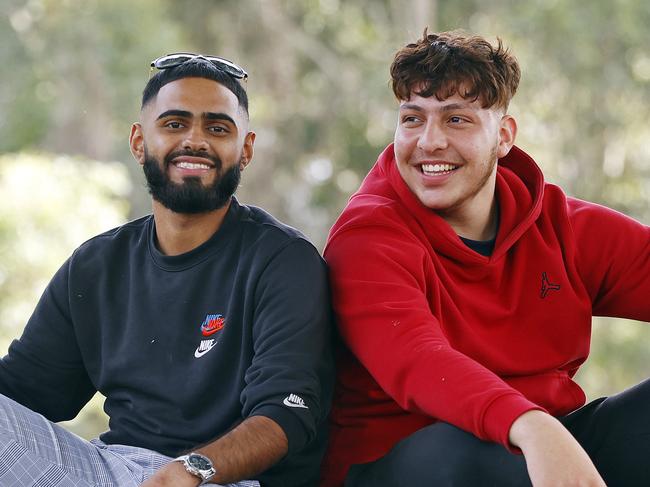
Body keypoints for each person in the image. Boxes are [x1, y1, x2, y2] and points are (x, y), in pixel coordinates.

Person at [319, 29, 650, 487]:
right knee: (470, 456)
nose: (429, 142)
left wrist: (543, 433)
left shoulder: (561, 226)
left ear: (504, 136)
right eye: (413, 119)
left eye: (457, 120)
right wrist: (533, 427)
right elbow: (421, 363)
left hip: (541, 440)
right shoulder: (367, 239)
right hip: (412, 460)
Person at [0, 53, 334, 487]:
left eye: (217, 127)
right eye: (175, 124)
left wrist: (191, 470)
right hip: (108, 471)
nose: (195, 140)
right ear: (139, 141)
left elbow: (285, 414)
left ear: (245, 149)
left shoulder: (283, 260)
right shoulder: (96, 265)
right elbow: (22, 392)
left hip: (226, 479)